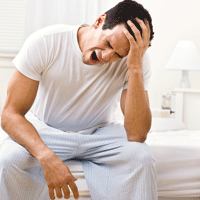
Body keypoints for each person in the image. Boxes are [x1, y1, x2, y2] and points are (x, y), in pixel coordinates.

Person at [0, 0, 157, 199]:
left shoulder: (135, 61)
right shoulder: (46, 41)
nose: (107, 56)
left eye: (118, 54)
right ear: (100, 21)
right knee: (9, 158)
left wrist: (134, 66)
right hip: (47, 130)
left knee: (141, 157)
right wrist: (47, 157)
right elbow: (9, 115)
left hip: (99, 135)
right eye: (108, 43)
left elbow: (137, 134)